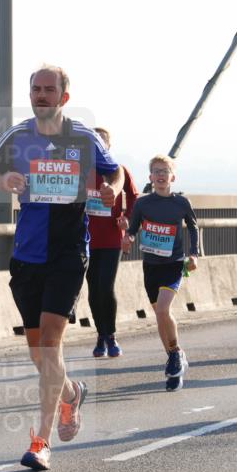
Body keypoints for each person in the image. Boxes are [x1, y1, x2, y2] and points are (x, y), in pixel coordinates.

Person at [0, 65, 124, 471]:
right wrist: (1, 179)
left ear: (64, 97)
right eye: (36, 89)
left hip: (68, 254)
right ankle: (72, 394)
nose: (41, 95)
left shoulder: (84, 137)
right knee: (39, 353)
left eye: (48, 89)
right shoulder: (18, 136)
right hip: (27, 255)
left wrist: (112, 189)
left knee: (51, 344)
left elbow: (115, 171)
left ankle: (41, 441)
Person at [122, 155, 199, 391]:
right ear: (150, 177)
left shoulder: (181, 203)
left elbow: (193, 227)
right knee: (160, 316)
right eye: (156, 171)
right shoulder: (143, 204)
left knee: (164, 309)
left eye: (165, 171)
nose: (160, 175)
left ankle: (175, 354)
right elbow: (133, 229)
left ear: (172, 177)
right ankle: (174, 362)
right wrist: (128, 237)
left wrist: (194, 254)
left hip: (173, 264)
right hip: (151, 266)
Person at [87, 126, 139, 358]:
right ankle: (100, 335)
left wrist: (128, 218)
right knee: (93, 288)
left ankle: (111, 335)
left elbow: (134, 196)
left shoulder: (119, 170)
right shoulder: (82, 170)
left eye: (102, 141)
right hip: (86, 239)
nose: (98, 144)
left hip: (111, 238)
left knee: (106, 287)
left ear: (108, 146)